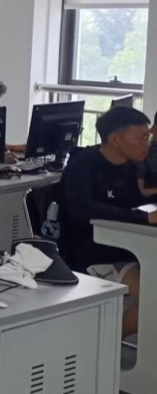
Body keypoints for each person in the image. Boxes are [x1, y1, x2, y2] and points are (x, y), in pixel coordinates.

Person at [58, 106, 152, 337]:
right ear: (115, 139)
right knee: (154, 300)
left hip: (128, 248)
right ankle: (102, 347)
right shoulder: (83, 166)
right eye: (141, 138)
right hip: (95, 253)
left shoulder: (132, 165)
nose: (147, 144)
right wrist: (144, 217)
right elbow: (81, 210)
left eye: (148, 138)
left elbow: (135, 202)